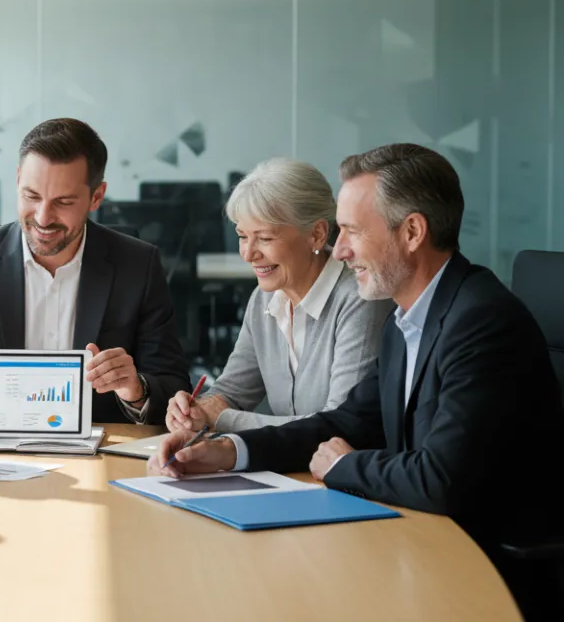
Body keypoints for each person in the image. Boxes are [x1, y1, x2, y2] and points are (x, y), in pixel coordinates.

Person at [148, 143, 564, 619]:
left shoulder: (479, 320)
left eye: (351, 231)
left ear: (411, 231)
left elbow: (440, 479)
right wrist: (229, 452)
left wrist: (346, 466)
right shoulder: (410, 319)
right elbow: (349, 419)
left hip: (484, 571)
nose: (339, 250)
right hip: (418, 538)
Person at [0, 118, 190, 429]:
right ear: (17, 180)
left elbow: (174, 387)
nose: (42, 217)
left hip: (100, 455)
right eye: (32, 196)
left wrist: (136, 390)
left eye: (63, 202)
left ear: (96, 197)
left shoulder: (138, 266)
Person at [166, 158, 392, 434]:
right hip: (289, 471)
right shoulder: (265, 298)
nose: (248, 254)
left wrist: (221, 418)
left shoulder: (359, 299)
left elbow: (340, 426)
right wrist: (193, 410)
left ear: (317, 234)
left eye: (264, 238)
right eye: (242, 236)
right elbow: (232, 392)